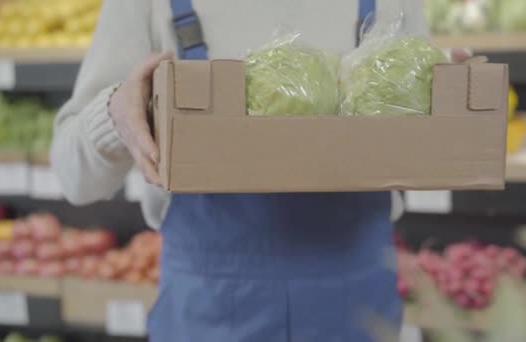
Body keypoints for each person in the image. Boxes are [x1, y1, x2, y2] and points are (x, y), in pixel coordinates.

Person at [51, 0, 467, 340]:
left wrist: (450, 108)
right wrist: (111, 116)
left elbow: (424, 142)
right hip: (209, 308)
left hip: (357, 305)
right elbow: (73, 178)